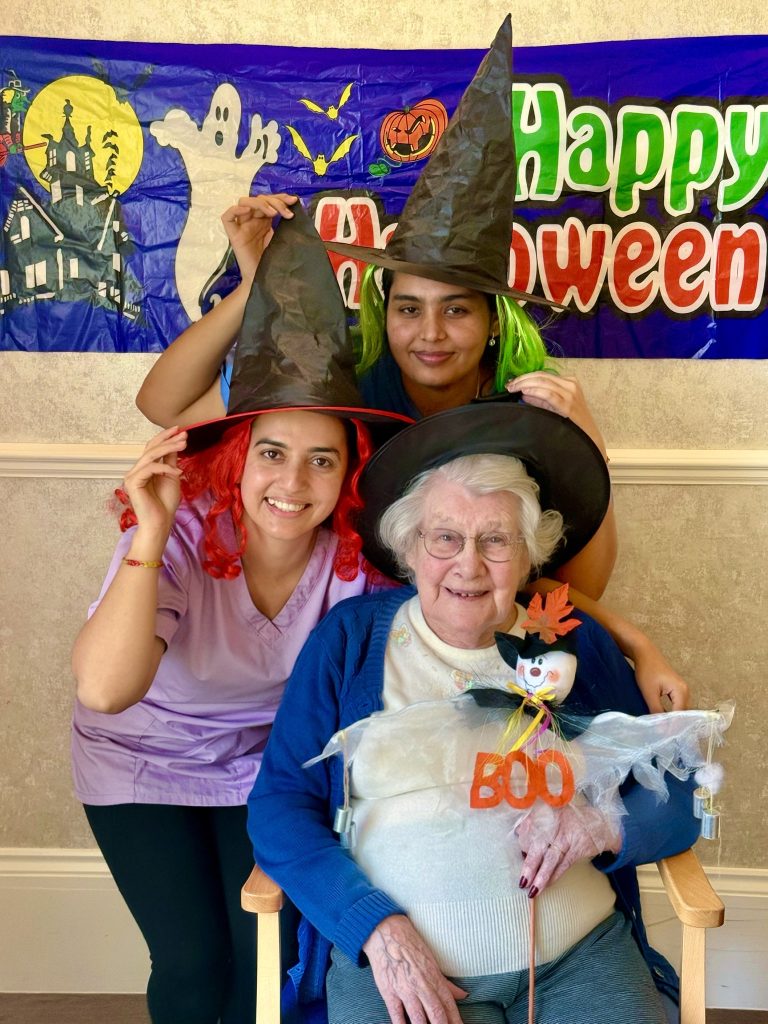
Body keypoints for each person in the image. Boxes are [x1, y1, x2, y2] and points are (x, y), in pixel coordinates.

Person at [247, 398, 700, 1024]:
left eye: (495, 541)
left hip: (579, 956)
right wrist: (373, 928)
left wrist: (603, 828)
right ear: (409, 549)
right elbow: (279, 806)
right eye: (445, 538)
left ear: (529, 556)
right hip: (405, 968)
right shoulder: (348, 642)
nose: (467, 563)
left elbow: (676, 793)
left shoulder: (574, 642)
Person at [70, 207, 411, 1024]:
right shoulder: (182, 529)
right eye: (271, 452)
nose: (292, 482)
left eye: (321, 459)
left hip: (263, 765)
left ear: (349, 476)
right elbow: (105, 692)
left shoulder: (355, 564)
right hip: (140, 758)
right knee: (193, 964)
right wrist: (149, 534)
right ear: (235, 457)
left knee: (265, 956)